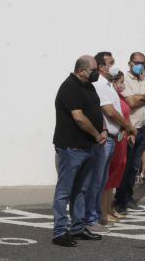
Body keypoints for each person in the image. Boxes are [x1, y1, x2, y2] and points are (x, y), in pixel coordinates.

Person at [51, 55, 105, 247]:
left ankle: (78, 227)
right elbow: (79, 117)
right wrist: (97, 135)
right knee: (64, 190)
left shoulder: (88, 86)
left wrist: (103, 129)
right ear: (82, 71)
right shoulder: (70, 87)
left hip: (87, 146)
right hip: (71, 147)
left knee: (80, 189)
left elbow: (96, 110)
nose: (97, 73)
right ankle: (59, 232)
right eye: (93, 70)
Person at [86, 52, 133, 230]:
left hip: (114, 137)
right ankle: (93, 217)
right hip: (105, 140)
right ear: (101, 67)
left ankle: (99, 214)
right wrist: (128, 126)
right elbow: (109, 111)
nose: (114, 65)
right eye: (111, 62)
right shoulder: (100, 84)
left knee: (103, 179)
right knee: (97, 180)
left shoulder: (108, 84)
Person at [114, 52, 145, 215]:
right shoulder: (124, 79)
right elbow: (130, 102)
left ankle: (128, 197)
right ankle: (119, 200)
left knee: (134, 167)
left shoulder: (143, 79)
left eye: (142, 62)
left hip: (143, 128)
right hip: (130, 129)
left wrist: (142, 97)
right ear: (130, 63)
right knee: (125, 166)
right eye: (137, 62)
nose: (140, 65)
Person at [103, 69, 133, 223]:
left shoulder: (120, 96)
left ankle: (110, 208)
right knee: (110, 174)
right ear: (113, 82)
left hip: (123, 138)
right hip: (116, 137)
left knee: (117, 172)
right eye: (120, 82)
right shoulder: (112, 97)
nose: (122, 86)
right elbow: (115, 115)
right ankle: (105, 210)